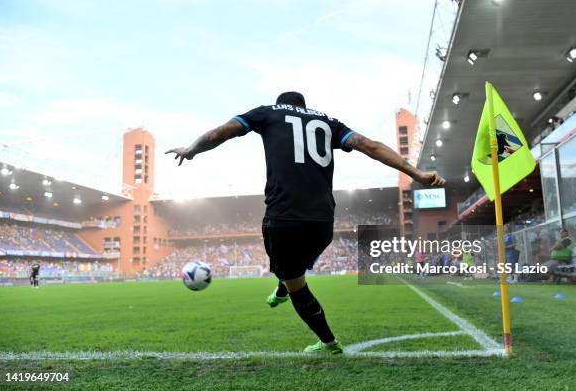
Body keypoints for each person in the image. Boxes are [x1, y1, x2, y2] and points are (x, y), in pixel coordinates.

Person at [166, 91, 445, 354]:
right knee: (292, 266)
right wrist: (415, 173)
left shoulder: (267, 113)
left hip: (283, 217)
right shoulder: (328, 122)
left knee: (293, 279)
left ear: (281, 105)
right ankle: (283, 285)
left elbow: (220, 133)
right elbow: (369, 146)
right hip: (323, 223)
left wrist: (192, 149)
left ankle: (328, 342)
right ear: (303, 107)